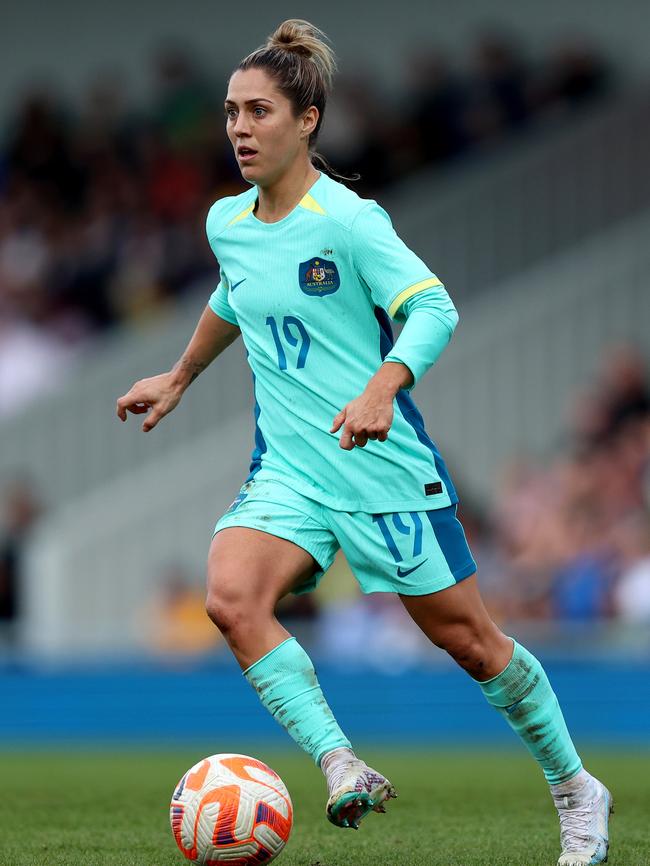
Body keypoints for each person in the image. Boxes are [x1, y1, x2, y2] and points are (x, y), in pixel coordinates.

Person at [116, 20, 612, 865]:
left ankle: (574, 787)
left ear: (306, 121)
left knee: (470, 643)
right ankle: (341, 762)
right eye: (232, 112)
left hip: (380, 466)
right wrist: (178, 375)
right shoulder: (227, 223)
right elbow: (238, 297)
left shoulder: (349, 220)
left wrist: (385, 384)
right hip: (291, 472)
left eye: (259, 111)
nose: (238, 127)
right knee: (232, 598)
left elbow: (435, 308)